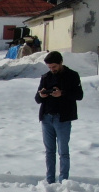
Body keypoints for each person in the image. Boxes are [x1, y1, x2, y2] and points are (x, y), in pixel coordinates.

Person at [35, 51, 83, 184]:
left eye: (54, 67)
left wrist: (62, 93)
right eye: (49, 67)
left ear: (61, 62)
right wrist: (42, 95)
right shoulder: (46, 77)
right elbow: (37, 98)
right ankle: (50, 179)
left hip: (63, 118)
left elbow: (79, 95)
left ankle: (63, 180)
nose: (52, 69)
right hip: (46, 118)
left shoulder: (72, 75)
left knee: (63, 152)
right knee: (49, 152)